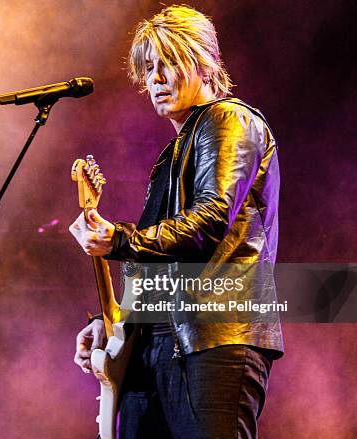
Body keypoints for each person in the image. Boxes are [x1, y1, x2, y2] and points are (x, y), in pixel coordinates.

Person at [69, 5, 283, 439]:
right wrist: (109, 321)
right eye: (148, 68)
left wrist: (120, 239)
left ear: (204, 64)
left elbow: (209, 220)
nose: (156, 79)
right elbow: (163, 263)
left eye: (169, 62)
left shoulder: (228, 120)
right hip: (158, 342)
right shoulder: (176, 151)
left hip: (214, 336)